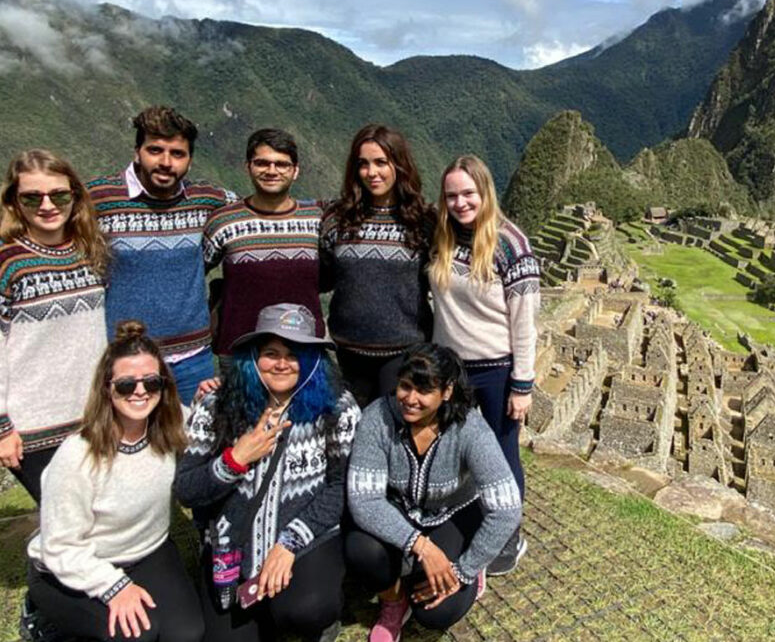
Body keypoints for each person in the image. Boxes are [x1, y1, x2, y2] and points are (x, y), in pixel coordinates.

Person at [0, 106, 236, 406]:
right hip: (120, 359)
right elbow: (21, 218)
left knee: (191, 448)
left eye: (177, 154)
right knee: (119, 451)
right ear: (137, 151)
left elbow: (256, 209)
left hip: (192, 361)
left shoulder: (206, 199)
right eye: (155, 150)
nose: (166, 162)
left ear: (190, 160)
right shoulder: (99, 197)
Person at [174, 303, 360, 642]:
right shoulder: (216, 403)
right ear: (252, 356)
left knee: (306, 609)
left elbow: (340, 486)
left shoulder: (338, 407)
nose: (282, 363)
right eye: (270, 352)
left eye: (294, 354)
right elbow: (187, 489)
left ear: (312, 359)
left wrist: (289, 542)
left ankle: (314, 616)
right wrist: (235, 459)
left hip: (305, 538)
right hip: (232, 541)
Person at [25, 320, 202, 642]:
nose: (140, 392)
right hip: (73, 566)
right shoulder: (78, 455)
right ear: (107, 388)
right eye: (125, 385)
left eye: (152, 383)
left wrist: (212, 397)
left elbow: (210, 434)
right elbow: (59, 545)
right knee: (138, 636)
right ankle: (48, 623)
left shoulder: (171, 425)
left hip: (147, 552)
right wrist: (113, 587)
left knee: (186, 634)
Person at [0, 149, 109, 502]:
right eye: (32, 197)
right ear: (14, 201)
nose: (47, 205)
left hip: (94, 417)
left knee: (99, 515)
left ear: (74, 196)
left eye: (58, 195)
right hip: (33, 427)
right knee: (65, 522)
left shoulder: (88, 250)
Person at [345, 344, 522, 641]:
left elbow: (506, 508)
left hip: (453, 513)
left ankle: (466, 569)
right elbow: (364, 500)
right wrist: (421, 546)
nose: (410, 399)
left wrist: (464, 569)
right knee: (362, 549)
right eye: (405, 386)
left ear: (447, 392)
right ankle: (393, 601)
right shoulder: (378, 418)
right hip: (400, 507)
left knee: (436, 614)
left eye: (424, 391)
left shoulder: (470, 430)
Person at [427, 155, 540, 575]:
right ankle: (470, 525)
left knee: (502, 456)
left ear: (485, 192)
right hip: (449, 371)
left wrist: (522, 384)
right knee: (458, 453)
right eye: (452, 195)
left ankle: (508, 537)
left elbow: (525, 321)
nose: (461, 202)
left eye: (469, 193)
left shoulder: (511, 245)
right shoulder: (441, 237)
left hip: (495, 370)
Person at [319, 124, 434, 406]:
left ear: (399, 164)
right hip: (348, 351)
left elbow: (441, 283)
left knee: (392, 430)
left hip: (404, 352)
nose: (372, 173)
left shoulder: (423, 222)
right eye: (364, 164)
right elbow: (323, 277)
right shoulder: (337, 218)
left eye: (381, 162)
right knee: (351, 430)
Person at [204, 129, 326, 370]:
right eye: (262, 163)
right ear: (248, 166)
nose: (272, 171)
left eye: (281, 164)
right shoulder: (224, 222)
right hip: (239, 351)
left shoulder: (317, 220)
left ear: (296, 171)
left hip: (302, 349)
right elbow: (194, 275)